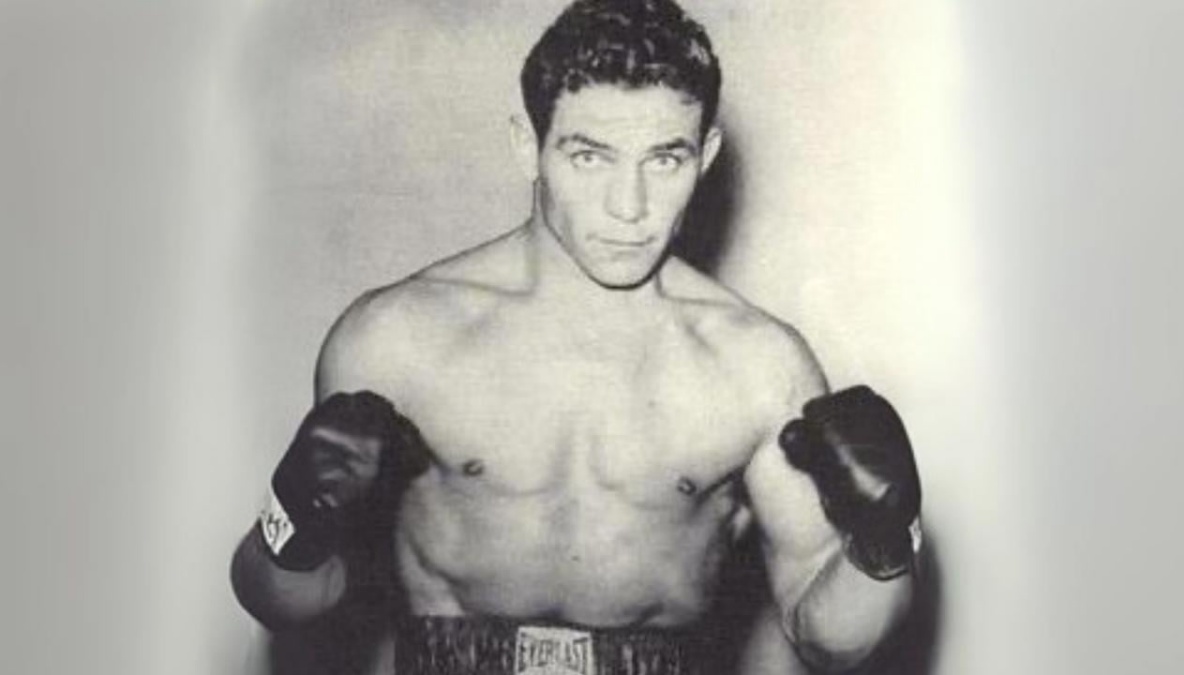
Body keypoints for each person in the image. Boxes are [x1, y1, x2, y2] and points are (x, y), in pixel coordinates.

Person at [231, 1, 923, 673]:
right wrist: (295, 519)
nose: (630, 207)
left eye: (665, 159)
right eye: (591, 157)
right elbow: (286, 604)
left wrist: (886, 540)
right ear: (527, 146)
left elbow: (830, 639)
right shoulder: (397, 339)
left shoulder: (759, 365)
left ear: (706, 154)